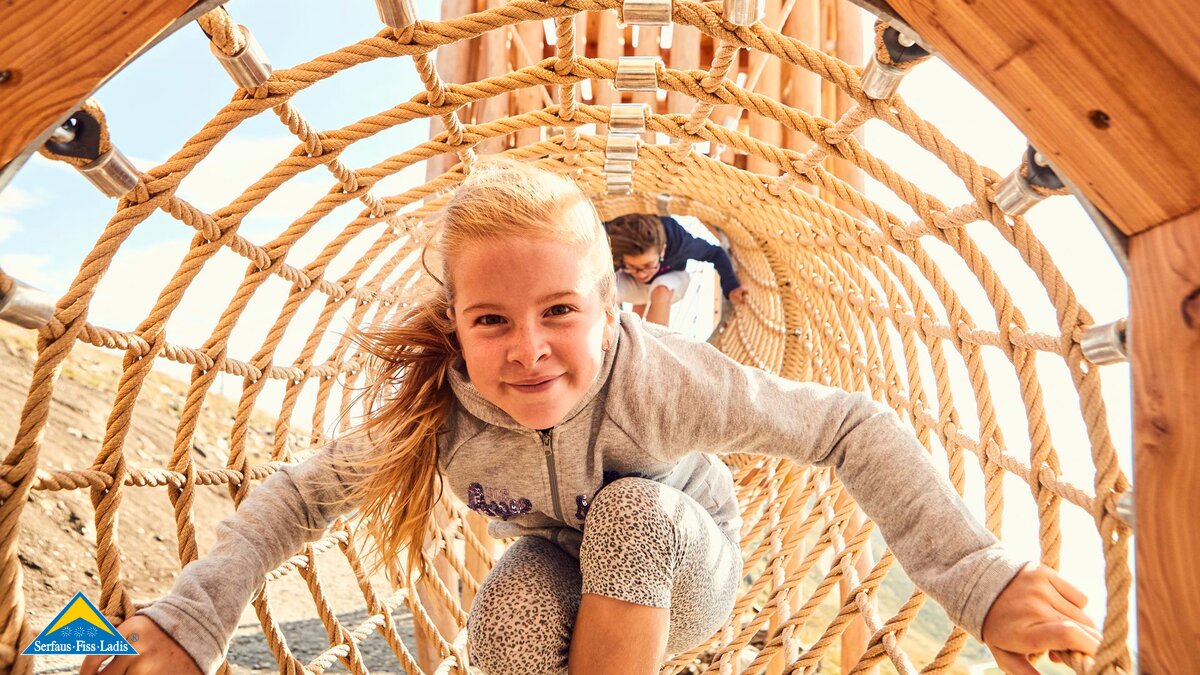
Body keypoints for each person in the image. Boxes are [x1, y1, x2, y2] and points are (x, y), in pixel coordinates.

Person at [81, 159, 1100, 675]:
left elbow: (848, 427)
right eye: (493, 320)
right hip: (566, 576)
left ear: (611, 313)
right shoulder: (447, 410)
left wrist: (977, 579)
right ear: (458, 327)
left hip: (684, 573)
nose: (527, 348)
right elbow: (299, 495)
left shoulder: (667, 378)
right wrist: (192, 617)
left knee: (632, 514)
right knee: (510, 609)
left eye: (559, 312)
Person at [604, 213, 747, 326]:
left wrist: (731, 287)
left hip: (671, 277)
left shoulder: (680, 243)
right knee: (604, 289)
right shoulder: (614, 246)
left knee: (660, 290)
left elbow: (716, 253)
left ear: (662, 250)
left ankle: (655, 352)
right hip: (631, 282)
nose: (642, 273)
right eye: (634, 267)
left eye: (648, 265)